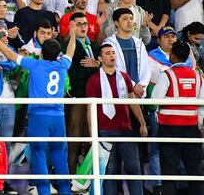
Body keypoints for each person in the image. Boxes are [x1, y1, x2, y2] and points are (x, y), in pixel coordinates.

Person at [0, 20, 78, 195]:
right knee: (59, 154)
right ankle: (65, 191)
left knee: (39, 153)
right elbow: (71, 50)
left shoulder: (34, 64)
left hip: (38, 117)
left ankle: (43, 191)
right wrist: (72, 34)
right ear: (59, 53)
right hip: (58, 117)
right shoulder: (63, 64)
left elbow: (9, 55)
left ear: (41, 52)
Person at [85, 43, 147, 195]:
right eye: (107, 53)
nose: (112, 55)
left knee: (133, 167)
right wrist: (92, 133)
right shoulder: (93, 80)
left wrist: (142, 123)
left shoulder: (124, 77)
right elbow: (89, 108)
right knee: (110, 171)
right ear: (99, 58)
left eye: (113, 52)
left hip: (125, 128)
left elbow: (133, 101)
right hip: (105, 131)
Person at [151, 40, 204, 195]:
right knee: (194, 171)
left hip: (169, 129)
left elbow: (155, 100)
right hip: (191, 129)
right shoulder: (197, 76)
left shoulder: (166, 75)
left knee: (168, 171)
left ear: (172, 56)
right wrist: (197, 122)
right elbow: (201, 105)